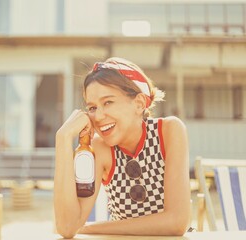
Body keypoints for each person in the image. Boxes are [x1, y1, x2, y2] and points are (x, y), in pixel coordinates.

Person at [54, 57, 190, 238]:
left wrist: (90, 228)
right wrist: (62, 138)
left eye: (108, 102)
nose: (99, 116)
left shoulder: (169, 131)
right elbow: (67, 227)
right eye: (92, 107)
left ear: (139, 103)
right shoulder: (99, 147)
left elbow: (177, 222)